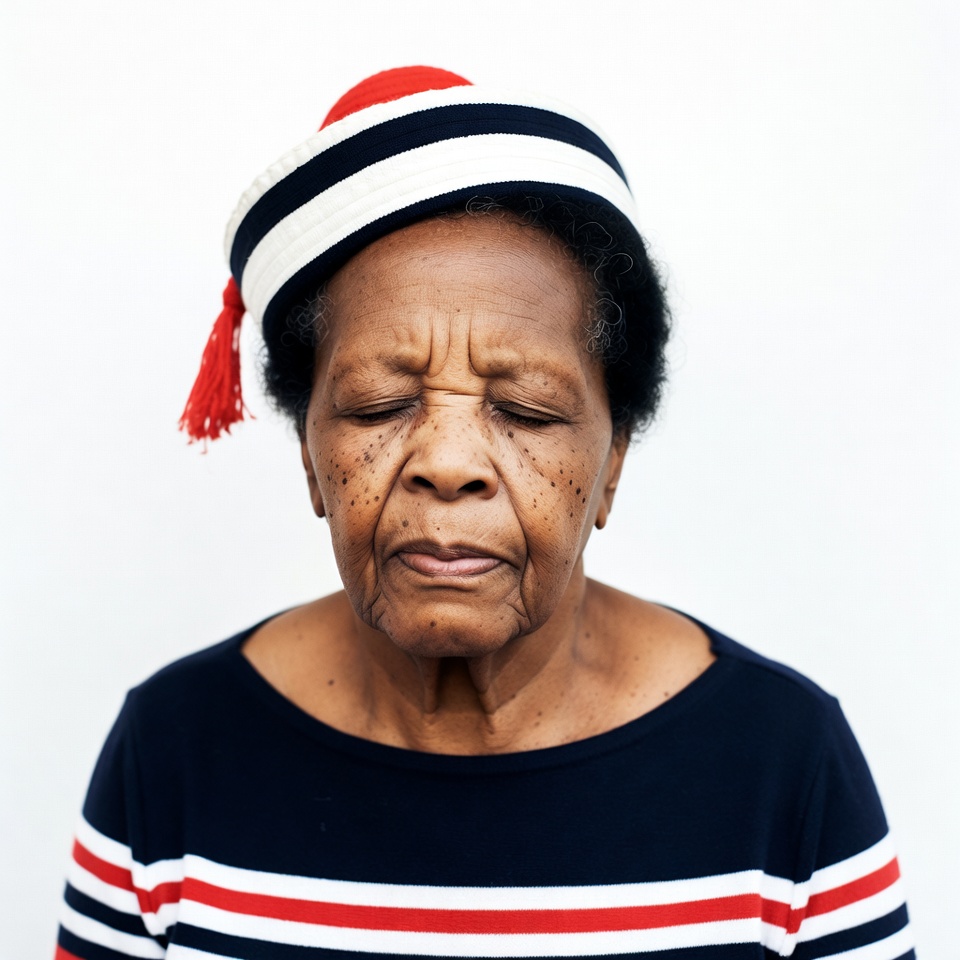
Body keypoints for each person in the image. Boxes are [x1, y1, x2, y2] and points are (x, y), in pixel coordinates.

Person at [56, 66, 914, 960]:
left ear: (612, 462)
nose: (449, 464)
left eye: (527, 411)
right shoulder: (173, 750)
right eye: (381, 405)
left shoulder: (783, 763)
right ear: (311, 454)